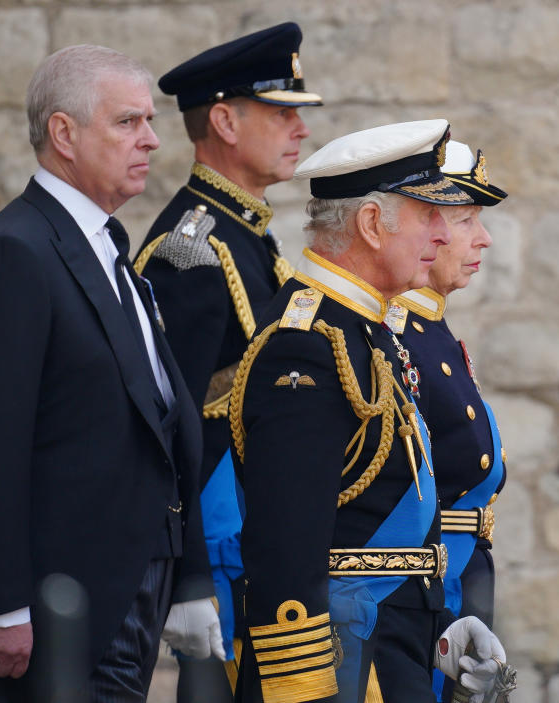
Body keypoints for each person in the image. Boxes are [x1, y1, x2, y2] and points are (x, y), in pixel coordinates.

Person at [0, 44, 221, 703]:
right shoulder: (17, 251)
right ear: (63, 132)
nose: (151, 140)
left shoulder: (106, 246)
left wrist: (186, 576)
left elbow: (159, 421)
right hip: (55, 607)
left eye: (149, 122)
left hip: (127, 587)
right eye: (127, 123)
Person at [229, 120, 508, 703]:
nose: (443, 236)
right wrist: (302, 687)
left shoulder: (363, 331)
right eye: (429, 215)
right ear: (372, 224)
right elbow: (288, 544)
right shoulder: (308, 343)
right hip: (341, 667)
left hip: (391, 645)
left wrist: (443, 625)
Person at [132, 21, 322, 700]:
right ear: (223, 120)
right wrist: (185, 580)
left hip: (261, 548)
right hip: (221, 561)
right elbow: (163, 429)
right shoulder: (191, 251)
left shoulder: (250, 238)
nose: (300, 130)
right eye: (282, 113)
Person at [388, 141, 515, 702]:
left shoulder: (433, 329)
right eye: (465, 221)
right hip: (427, 589)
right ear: (425, 228)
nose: (482, 238)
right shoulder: (398, 335)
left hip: (461, 584)